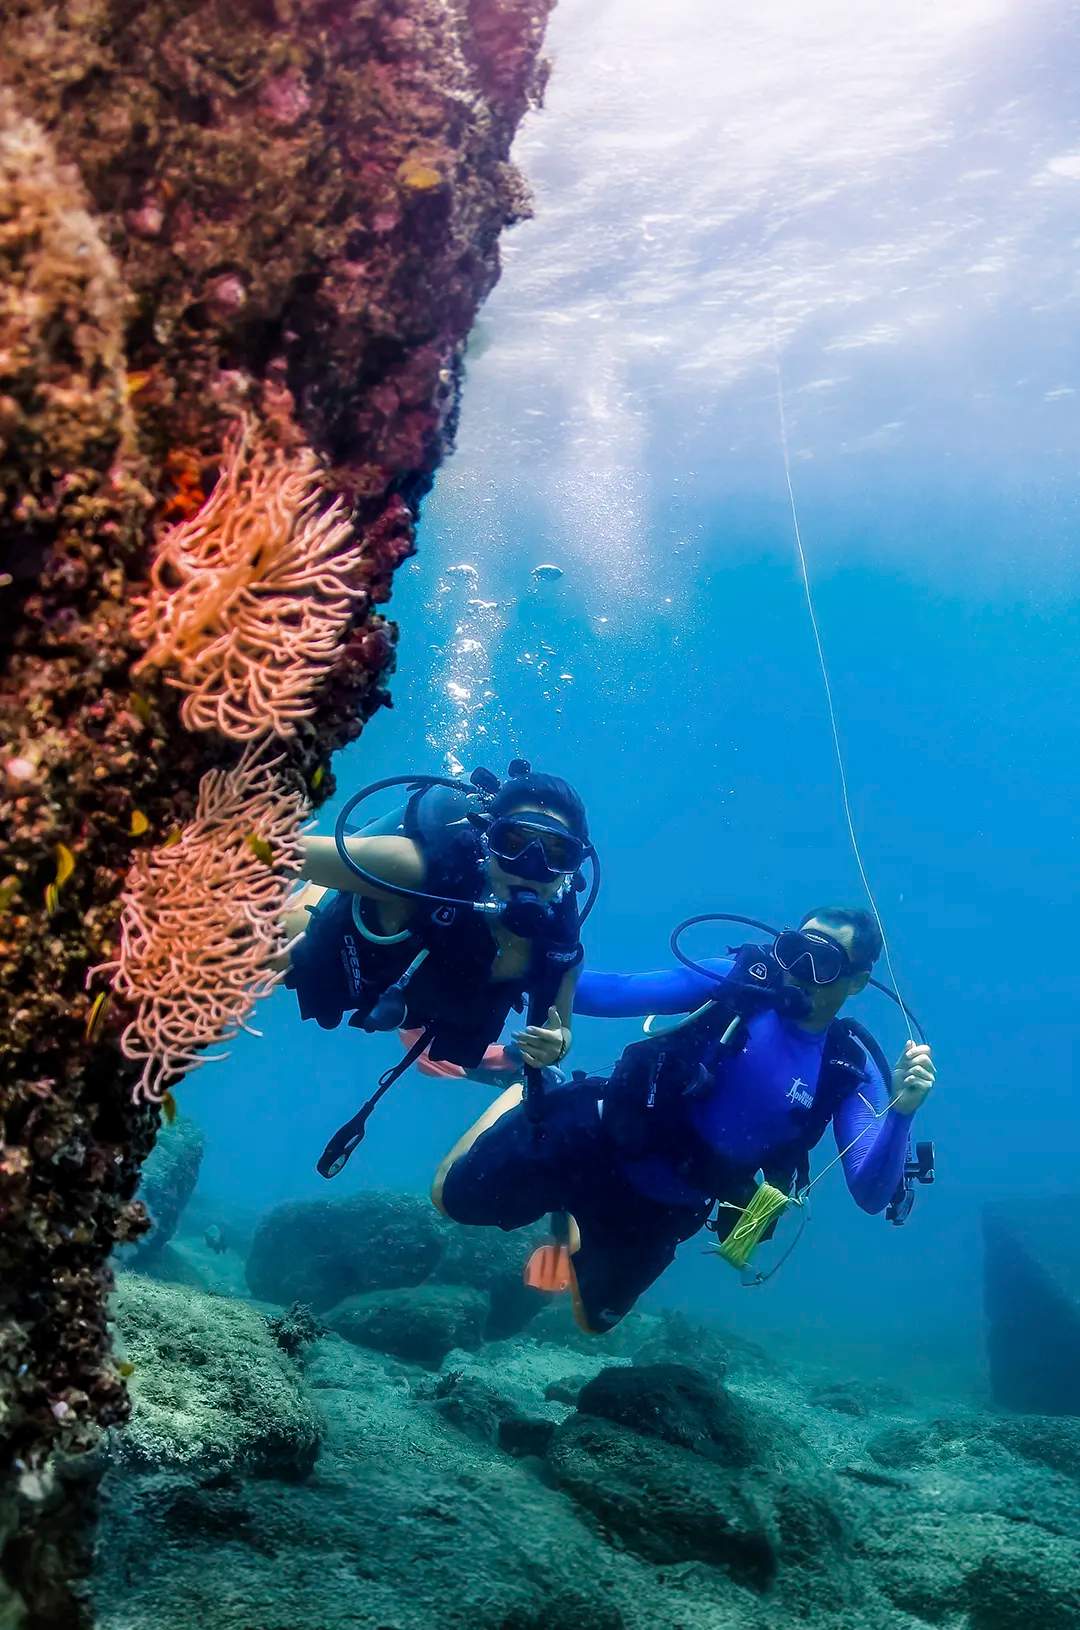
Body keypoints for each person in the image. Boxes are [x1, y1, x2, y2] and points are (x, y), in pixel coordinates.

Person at [433, 906, 936, 1333]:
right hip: (592, 1135)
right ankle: (519, 1093)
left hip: (666, 1204)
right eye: (791, 949)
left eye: (822, 961)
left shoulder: (846, 1065)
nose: (798, 969)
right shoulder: (739, 984)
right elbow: (618, 991)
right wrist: (524, 966)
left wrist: (902, 1114)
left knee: (594, 1322)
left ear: (856, 981)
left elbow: (871, 1195)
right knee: (450, 1199)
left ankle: (579, 1226)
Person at [283, 761, 593, 1176]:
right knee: (260, 950)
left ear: (572, 870)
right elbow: (275, 853)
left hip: (422, 994)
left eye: (556, 854)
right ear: (487, 840)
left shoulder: (558, 944)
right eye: (513, 842)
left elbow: (562, 1029)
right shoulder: (415, 868)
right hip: (350, 946)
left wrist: (556, 1044)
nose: (531, 868)